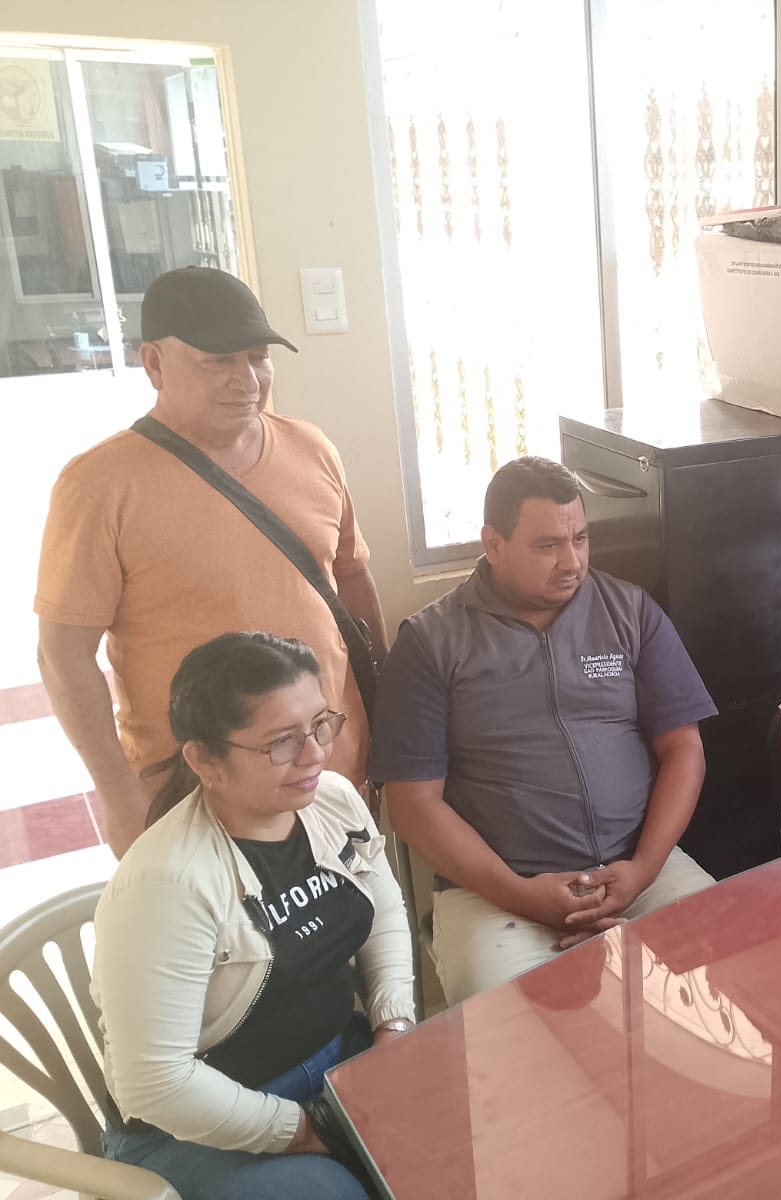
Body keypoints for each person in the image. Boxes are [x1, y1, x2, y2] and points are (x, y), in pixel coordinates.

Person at [35, 267, 388, 857]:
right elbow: (63, 656)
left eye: (257, 357)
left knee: (358, 913)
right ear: (154, 363)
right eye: (217, 360)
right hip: (201, 799)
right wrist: (120, 796)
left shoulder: (311, 448)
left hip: (333, 778)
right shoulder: (98, 486)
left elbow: (350, 577)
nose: (246, 380)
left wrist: (386, 717)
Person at [372, 456, 718, 1005]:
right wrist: (521, 894)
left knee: (722, 961)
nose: (571, 562)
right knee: (510, 1023)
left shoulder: (629, 611)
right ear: (493, 544)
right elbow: (413, 806)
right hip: (496, 891)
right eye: (548, 545)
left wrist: (641, 871)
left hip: (638, 869)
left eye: (580, 539)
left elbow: (685, 750)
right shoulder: (431, 642)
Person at [94, 632, 416, 1200]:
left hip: (336, 1059)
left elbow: (384, 909)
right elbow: (156, 1083)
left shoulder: (332, 800)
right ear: (204, 758)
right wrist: (304, 1132)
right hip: (194, 1126)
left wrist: (393, 1028)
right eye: (282, 742)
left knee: (462, 1129)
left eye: (320, 725)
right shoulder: (168, 884)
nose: (315, 754)